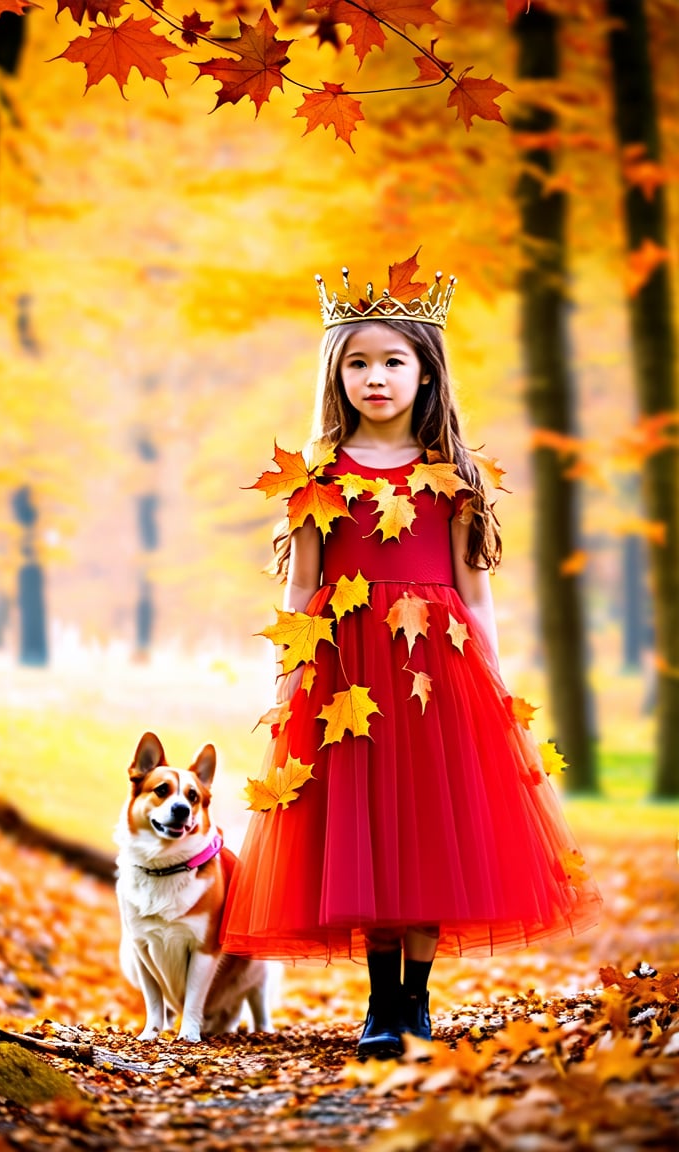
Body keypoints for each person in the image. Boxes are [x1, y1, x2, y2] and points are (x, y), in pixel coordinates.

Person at [220, 257, 602, 1059]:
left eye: (394, 360)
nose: (376, 377)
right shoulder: (320, 475)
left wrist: (492, 678)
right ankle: (377, 1005)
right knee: (360, 827)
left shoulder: (454, 477)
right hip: (343, 670)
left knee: (429, 827)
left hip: (439, 666)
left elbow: (476, 589)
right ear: (337, 376)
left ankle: (415, 1004)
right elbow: (302, 583)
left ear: (427, 373)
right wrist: (289, 672)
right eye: (358, 363)